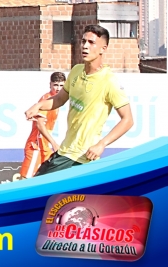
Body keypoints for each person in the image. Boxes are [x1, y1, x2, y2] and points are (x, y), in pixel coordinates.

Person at [25, 25, 134, 176]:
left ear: (103, 49)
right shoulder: (76, 70)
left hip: (82, 156)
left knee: (37, 186)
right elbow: (59, 99)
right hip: (65, 151)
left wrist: (102, 144)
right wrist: (38, 106)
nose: (85, 46)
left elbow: (128, 120)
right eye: (83, 41)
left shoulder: (109, 81)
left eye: (91, 42)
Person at [19, 72, 65, 179]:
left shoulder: (56, 100)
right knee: (25, 180)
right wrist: (54, 143)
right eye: (55, 85)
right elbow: (40, 124)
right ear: (50, 85)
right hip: (36, 146)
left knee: (47, 179)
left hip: (45, 147)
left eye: (61, 85)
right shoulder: (47, 99)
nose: (58, 89)